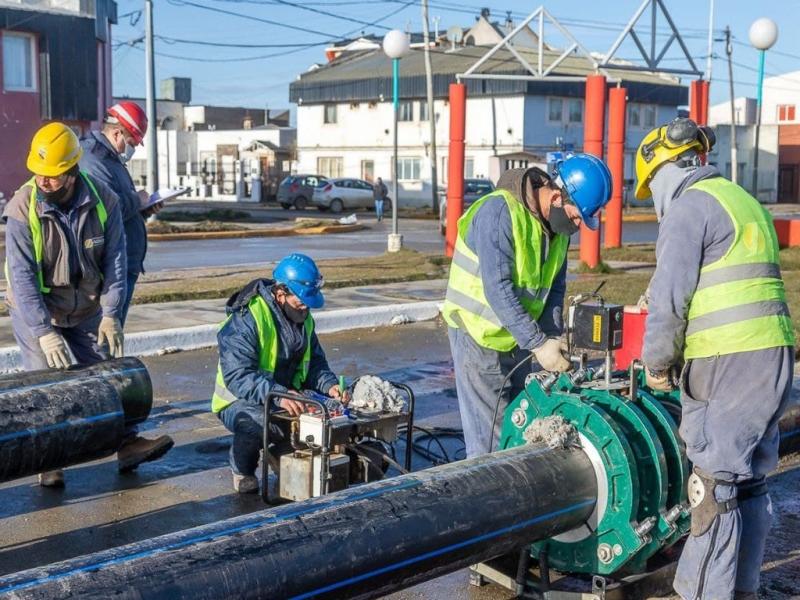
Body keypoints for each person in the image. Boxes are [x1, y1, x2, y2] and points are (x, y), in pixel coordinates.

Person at [636, 118, 795, 600]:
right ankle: (741, 590)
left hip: (728, 362)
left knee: (712, 489)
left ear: (664, 169)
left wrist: (657, 365)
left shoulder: (688, 207)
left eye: (651, 186)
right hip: (771, 357)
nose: (653, 196)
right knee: (747, 483)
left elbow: (670, 304)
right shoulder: (742, 200)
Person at [3, 122, 174, 487]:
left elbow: (115, 261)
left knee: (111, 375)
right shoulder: (22, 209)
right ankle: (49, 464)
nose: (42, 181)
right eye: (38, 173)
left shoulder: (103, 201)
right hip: (40, 311)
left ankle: (127, 443)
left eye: (51, 176)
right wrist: (43, 332)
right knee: (47, 387)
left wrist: (112, 315)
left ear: (70, 173)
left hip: (86, 310)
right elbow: (22, 278)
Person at [442, 154, 612, 458]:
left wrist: (550, 338)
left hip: (519, 337)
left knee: (521, 425)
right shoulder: (499, 212)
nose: (576, 226)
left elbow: (554, 288)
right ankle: (490, 499)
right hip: (479, 336)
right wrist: (537, 343)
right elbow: (498, 288)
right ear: (557, 196)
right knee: (492, 445)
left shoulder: (556, 231)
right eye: (575, 217)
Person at [211, 253, 348, 493]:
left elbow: (315, 364)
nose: (306, 306)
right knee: (258, 423)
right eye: (301, 300)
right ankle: (242, 467)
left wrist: (329, 385)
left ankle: (281, 451)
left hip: (286, 395)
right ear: (280, 293)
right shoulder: (247, 318)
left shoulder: (303, 318)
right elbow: (238, 375)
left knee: (323, 417)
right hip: (239, 400)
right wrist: (280, 395)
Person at [80, 101, 159, 326]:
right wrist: (138, 199)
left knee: (114, 334)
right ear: (117, 133)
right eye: (132, 142)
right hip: (109, 267)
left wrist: (144, 210)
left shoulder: (111, 159)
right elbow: (106, 210)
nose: (131, 149)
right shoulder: (94, 160)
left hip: (126, 262)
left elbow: (122, 212)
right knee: (104, 337)